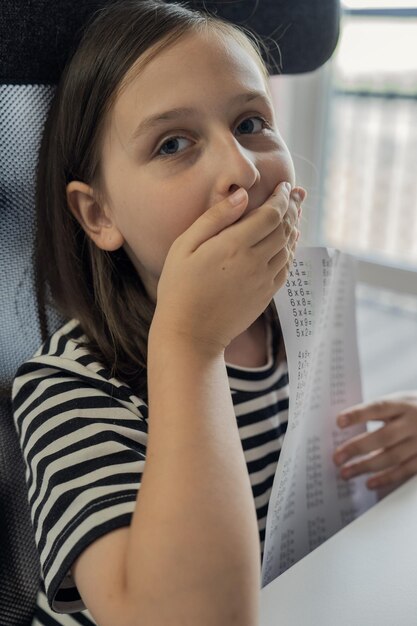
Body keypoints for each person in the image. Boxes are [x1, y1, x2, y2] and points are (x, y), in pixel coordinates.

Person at [10, 1, 417, 625]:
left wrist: (394, 440)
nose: (242, 168)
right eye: (173, 143)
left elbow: (307, 509)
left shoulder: (295, 314)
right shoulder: (67, 389)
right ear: (99, 214)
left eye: (252, 122)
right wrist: (190, 345)